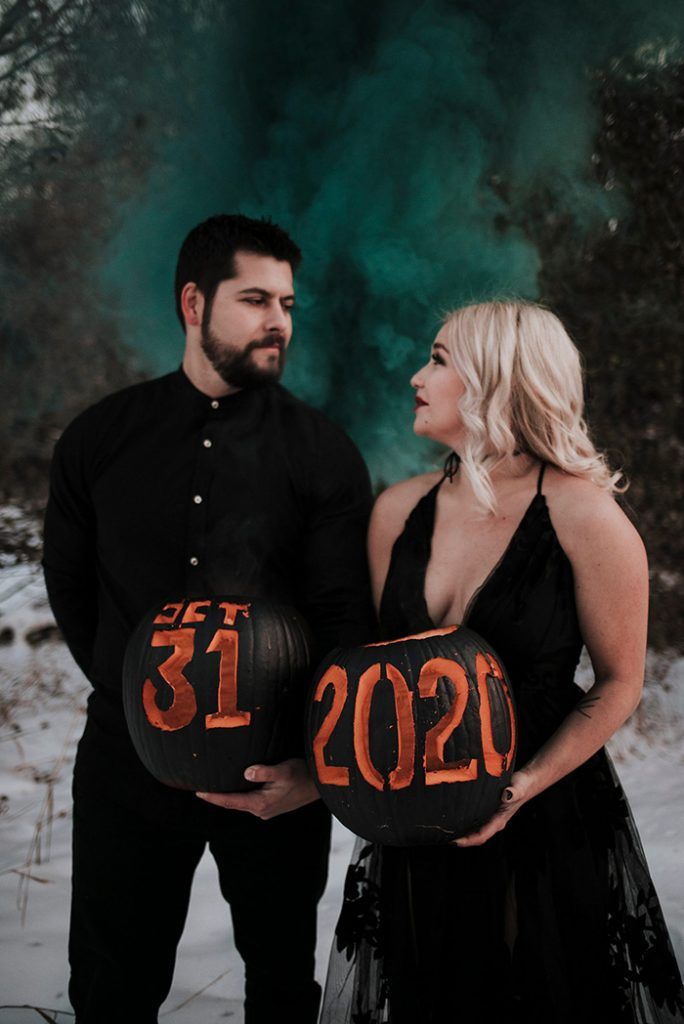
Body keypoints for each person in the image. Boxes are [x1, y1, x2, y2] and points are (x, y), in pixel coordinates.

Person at [42, 213, 374, 1024]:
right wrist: (143, 701)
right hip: (128, 765)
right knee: (112, 987)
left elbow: (342, 617)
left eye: (289, 304)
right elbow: (73, 591)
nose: (279, 322)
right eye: (256, 299)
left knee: (282, 988)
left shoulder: (322, 452)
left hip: (276, 777)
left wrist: (314, 769)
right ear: (194, 303)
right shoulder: (100, 440)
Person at [320, 300, 684, 1024]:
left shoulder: (585, 516)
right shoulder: (398, 510)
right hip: (413, 823)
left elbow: (618, 684)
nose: (417, 376)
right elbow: (369, 668)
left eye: (439, 360)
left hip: (539, 816)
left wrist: (521, 788)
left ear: (495, 382)